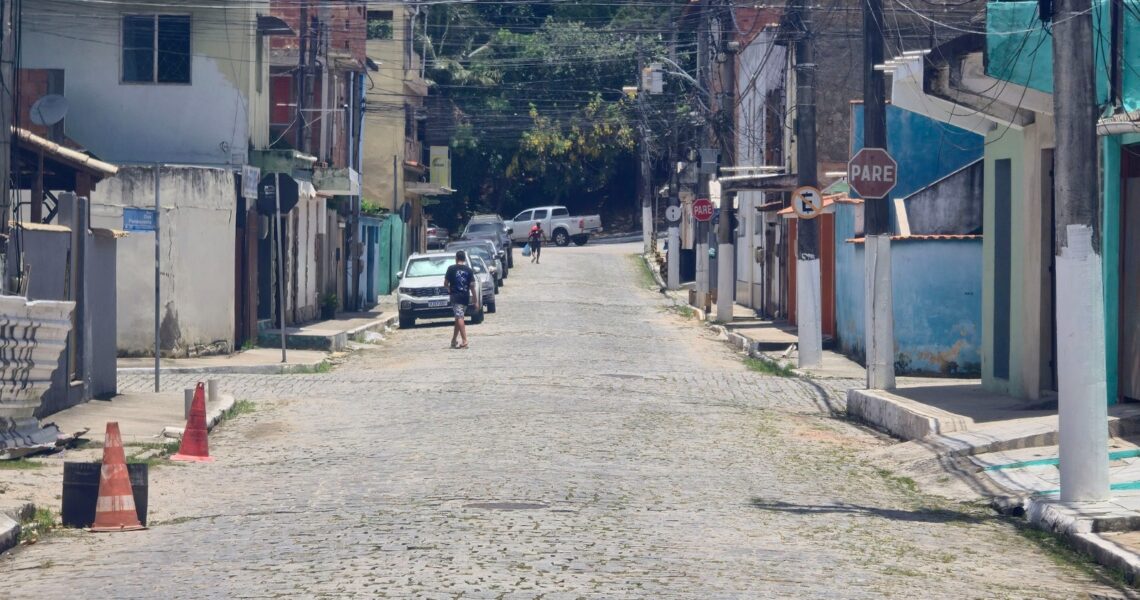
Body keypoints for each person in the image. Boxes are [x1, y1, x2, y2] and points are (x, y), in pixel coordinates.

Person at [444, 250, 477, 349]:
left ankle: (464, 340)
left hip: (456, 297)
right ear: (465, 259)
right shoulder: (469, 270)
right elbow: (472, 286)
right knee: (458, 318)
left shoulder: (451, 269)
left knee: (459, 318)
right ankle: (454, 340)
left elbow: (445, 283)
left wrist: (449, 289)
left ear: (456, 258)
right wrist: (475, 300)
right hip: (465, 297)